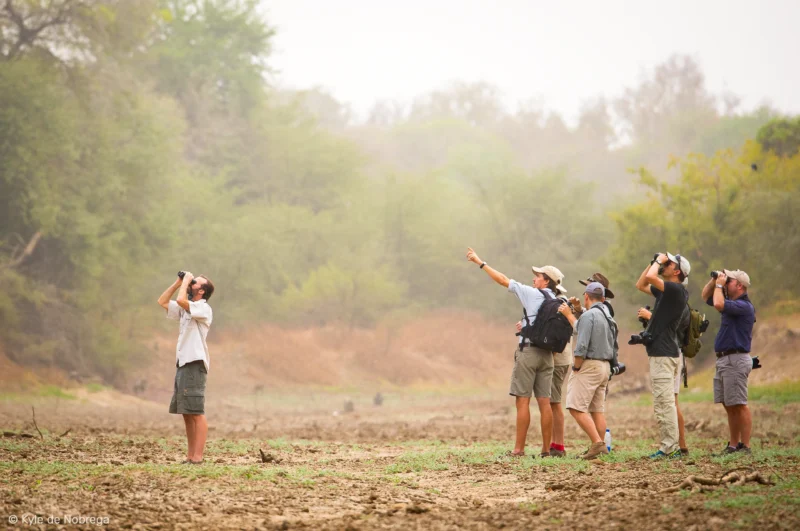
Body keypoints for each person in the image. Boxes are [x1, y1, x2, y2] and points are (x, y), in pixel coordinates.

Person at [466, 247, 563, 457]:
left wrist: (480, 263)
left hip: (528, 352)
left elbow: (502, 280)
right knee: (545, 402)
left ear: (546, 281)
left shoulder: (532, 294)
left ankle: (519, 450)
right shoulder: (558, 302)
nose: (534, 278)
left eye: (537, 276)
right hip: (548, 356)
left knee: (522, 400)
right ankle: (546, 450)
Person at [634, 252, 690, 459]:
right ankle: (671, 446)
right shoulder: (667, 292)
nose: (666, 264)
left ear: (677, 272)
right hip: (665, 353)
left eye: (670, 263)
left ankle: (669, 448)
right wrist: (654, 261)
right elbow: (641, 284)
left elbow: (650, 278)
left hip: (664, 355)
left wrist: (658, 263)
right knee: (664, 402)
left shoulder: (676, 289)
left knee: (664, 403)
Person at [157, 271, 215, 464]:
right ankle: (190, 456)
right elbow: (163, 301)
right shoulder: (186, 308)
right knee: (186, 412)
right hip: (183, 363)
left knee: (196, 412)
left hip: (194, 363)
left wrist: (187, 282)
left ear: (202, 290)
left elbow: (182, 300)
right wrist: (178, 283)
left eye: (195, 282)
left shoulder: (203, 308)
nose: (191, 284)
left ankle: (198, 457)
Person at [558, 282, 619, 460]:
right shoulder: (607, 315)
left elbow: (582, 345)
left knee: (575, 407)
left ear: (586, 296)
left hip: (589, 365)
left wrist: (576, 366)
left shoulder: (589, 315)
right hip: (605, 366)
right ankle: (599, 446)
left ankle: (597, 444)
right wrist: (573, 315)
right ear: (603, 298)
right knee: (596, 409)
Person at [701, 269, 756, 455]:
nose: (725, 283)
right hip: (725, 359)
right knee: (729, 404)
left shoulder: (743, 305)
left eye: (729, 280)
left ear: (739, 285)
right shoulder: (730, 303)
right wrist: (715, 280)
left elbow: (717, 303)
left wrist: (718, 286)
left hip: (736, 358)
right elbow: (705, 296)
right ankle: (733, 445)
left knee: (739, 404)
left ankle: (745, 446)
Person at [517, 284, 573, 457]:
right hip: (553, 358)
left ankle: (556, 446)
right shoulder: (562, 305)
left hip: (554, 359)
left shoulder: (552, 304)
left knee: (549, 402)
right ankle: (550, 447)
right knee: (548, 402)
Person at [637, 306, 690, 455]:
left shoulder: (679, 303)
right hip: (672, 352)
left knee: (670, 402)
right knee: (672, 401)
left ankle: (676, 446)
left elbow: (670, 329)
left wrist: (650, 317)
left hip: (671, 353)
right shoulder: (675, 302)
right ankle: (680, 445)